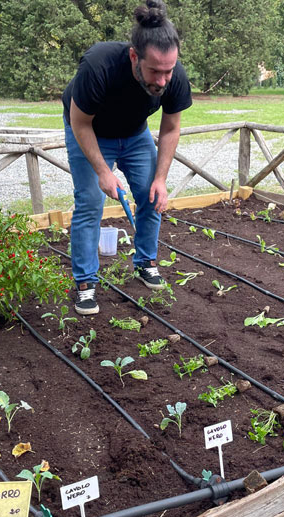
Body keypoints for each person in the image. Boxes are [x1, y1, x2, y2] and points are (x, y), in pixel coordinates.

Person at [62, 0, 192, 315]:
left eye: (168, 71)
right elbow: (80, 122)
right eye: (155, 71)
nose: (162, 80)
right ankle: (85, 283)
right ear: (135, 57)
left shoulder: (174, 76)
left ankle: (146, 262)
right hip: (90, 131)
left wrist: (161, 179)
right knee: (90, 202)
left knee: (151, 196)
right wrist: (103, 171)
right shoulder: (99, 66)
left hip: (134, 135)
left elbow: (171, 128)